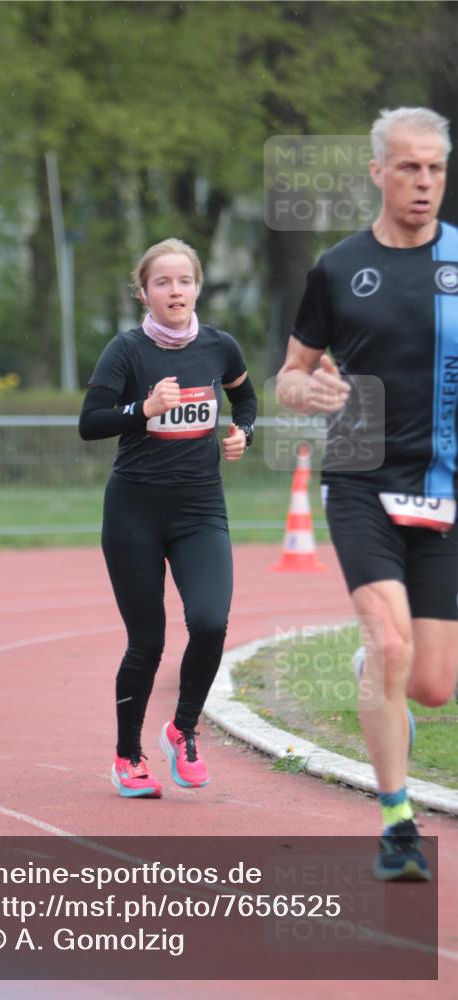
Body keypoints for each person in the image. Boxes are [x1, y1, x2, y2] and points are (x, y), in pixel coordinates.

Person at [276, 107, 457, 880]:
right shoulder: (337, 267)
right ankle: (395, 823)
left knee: (432, 686)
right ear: (377, 172)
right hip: (357, 477)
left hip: (443, 489)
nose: (423, 183)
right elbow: (290, 372)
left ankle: (374, 672)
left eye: (436, 169)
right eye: (409, 168)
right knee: (389, 646)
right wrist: (303, 393)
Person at [79, 238, 257, 798]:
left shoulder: (219, 347)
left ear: (197, 287)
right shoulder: (126, 351)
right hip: (134, 508)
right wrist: (143, 410)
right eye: (163, 282)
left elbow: (246, 399)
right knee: (147, 642)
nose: (175, 291)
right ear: (144, 292)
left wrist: (242, 432)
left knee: (209, 621)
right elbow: (90, 422)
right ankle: (128, 755)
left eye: (184, 281)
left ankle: (181, 730)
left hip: (200, 508)